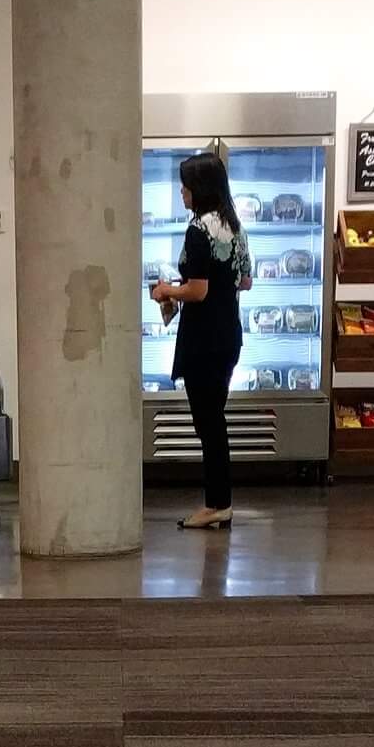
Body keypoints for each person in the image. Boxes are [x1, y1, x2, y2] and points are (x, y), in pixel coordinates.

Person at [149, 152, 250, 530]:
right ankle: (219, 500)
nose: (182, 191)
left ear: (200, 189)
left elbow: (198, 290)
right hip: (229, 335)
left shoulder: (199, 231)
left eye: (186, 185)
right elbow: (245, 281)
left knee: (207, 424)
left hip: (203, 338)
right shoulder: (234, 226)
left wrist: (166, 291)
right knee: (215, 419)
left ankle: (217, 504)